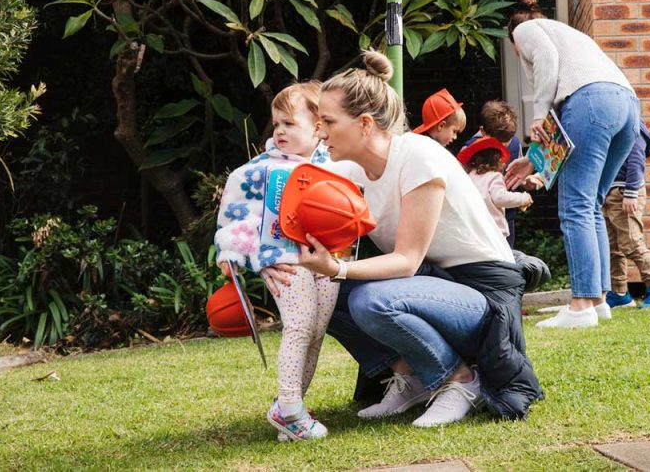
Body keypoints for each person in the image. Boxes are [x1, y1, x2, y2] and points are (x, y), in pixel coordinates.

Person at [268, 50, 543, 427]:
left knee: (369, 299)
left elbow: (407, 260)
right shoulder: (348, 169)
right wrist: (265, 258)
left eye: (328, 121)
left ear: (364, 124)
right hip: (428, 287)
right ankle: (412, 376)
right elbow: (291, 199)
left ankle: (461, 380)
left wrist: (336, 267)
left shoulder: (417, 156)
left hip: (481, 292)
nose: (319, 131)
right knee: (312, 291)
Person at [214, 82, 342, 441]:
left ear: (318, 126)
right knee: (299, 325)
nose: (280, 131)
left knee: (316, 332)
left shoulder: (335, 162)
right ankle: (288, 408)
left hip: (328, 259)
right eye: (276, 123)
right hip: (283, 258)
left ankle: (291, 408)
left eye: (289, 123)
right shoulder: (258, 171)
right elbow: (238, 214)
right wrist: (233, 253)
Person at [504, 0, 641, 328]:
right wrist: (531, 162)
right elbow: (565, 127)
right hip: (627, 107)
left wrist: (536, 114)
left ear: (513, 43)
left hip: (593, 101)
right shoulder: (569, 35)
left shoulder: (526, 30)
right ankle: (598, 300)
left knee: (576, 205)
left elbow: (552, 71)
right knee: (591, 204)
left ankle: (580, 306)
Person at [604, 121, 650, 309]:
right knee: (612, 247)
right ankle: (619, 293)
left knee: (632, 243)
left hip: (625, 193)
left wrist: (630, 192)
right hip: (607, 193)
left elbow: (636, 160)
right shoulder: (608, 125)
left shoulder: (632, 126)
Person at [461, 100, 541, 247]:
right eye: (499, 142)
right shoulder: (469, 150)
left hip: (505, 218)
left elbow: (515, 177)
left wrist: (526, 183)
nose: (504, 147)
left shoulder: (515, 144)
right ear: (483, 132)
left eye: (508, 141)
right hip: (478, 222)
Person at [459, 137, 533, 240]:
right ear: (495, 160)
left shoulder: (470, 176)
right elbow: (500, 198)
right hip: (494, 232)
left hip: (474, 230)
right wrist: (523, 198)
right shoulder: (494, 177)